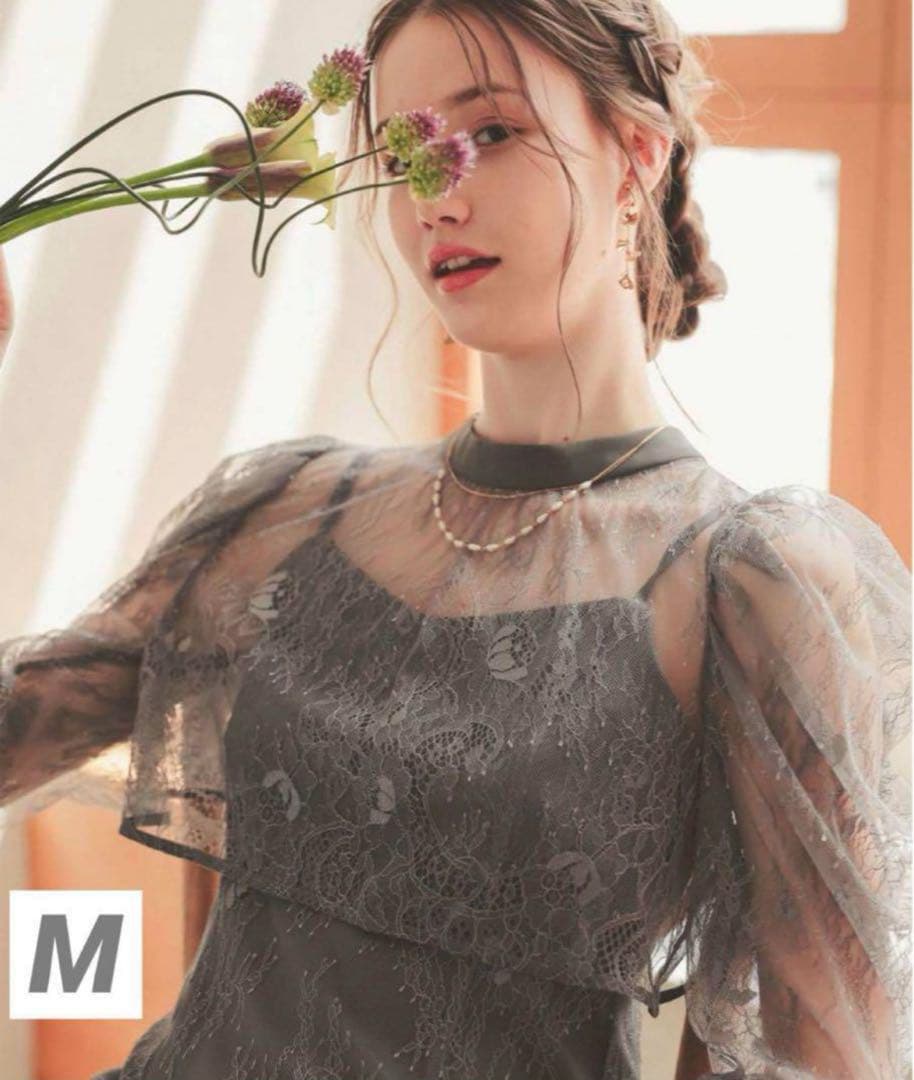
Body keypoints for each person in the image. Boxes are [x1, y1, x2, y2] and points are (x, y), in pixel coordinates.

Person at [0, 1, 910, 1077]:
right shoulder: (284, 513)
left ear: (635, 155)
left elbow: (821, 1052)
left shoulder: (748, 583)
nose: (435, 194)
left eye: (492, 132)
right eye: (403, 155)